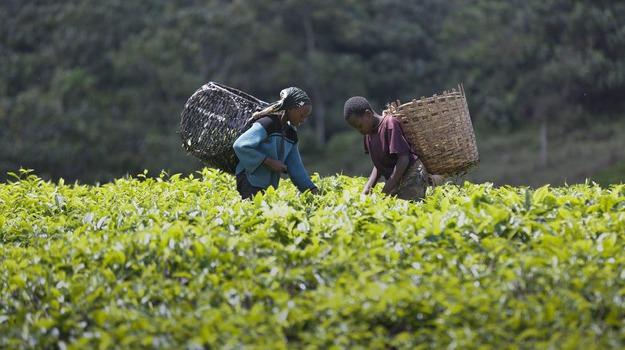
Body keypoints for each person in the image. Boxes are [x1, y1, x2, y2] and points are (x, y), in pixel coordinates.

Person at [343, 96, 435, 201]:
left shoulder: (389, 124)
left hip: (412, 175)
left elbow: (403, 159)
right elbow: (379, 165)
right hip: (396, 179)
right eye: (356, 128)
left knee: (407, 209)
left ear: (368, 114)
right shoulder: (368, 134)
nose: (359, 131)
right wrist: (368, 188)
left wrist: (386, 189)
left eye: (359, 126)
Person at [233, 87, 318, 199]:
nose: (303, 120)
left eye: (306, 117)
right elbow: (240, 145)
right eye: (302, 115)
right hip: (249, 179)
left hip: (268, 187)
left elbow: (295, 167)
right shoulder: (267, 123)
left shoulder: (291, 134)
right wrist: (269, 162)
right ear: (291, 109)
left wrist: (312, 189)